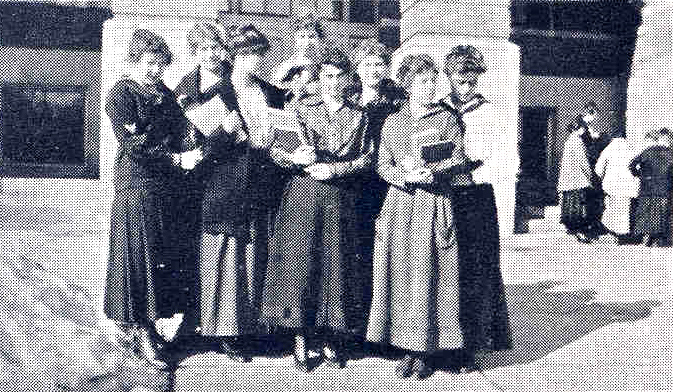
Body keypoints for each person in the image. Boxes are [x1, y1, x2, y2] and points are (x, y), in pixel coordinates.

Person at [366, 54, 511, 380]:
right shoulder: (393, 121)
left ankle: (433, 348)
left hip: (436, 202)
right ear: (407, 84)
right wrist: (403, 176)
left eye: (433, 80)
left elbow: (459, 156)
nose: (429, 86)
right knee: (403, 277)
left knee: (435, 276)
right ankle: (408, 348)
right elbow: (382, 165)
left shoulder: (445, 119)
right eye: (422, 81)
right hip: (401, 207)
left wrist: (432, 172)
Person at [261, 47, 371, 372]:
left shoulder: (359, 115)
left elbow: (366, 158)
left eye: (339, 76)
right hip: (303, 192)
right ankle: (300, 337)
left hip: (338, 195)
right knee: (300, 264)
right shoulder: (300, 108)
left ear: (348, 79)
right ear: (318, 76)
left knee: (334, 265)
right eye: (326, 75)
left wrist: (336, 170)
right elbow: (276, 148)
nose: (332, 82)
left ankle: (329, 336)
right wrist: (295, 157)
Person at [190, 24, 286, 361]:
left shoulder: (273, 94)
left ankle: (255, 329)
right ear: (235, 57)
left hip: (262, 186)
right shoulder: (217, 93)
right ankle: (227, 333)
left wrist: (276, 145)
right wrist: (228, 134)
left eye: (259, 54)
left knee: (257, 255)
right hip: (226, 186)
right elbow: (200, 146)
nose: (254, 61)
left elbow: (285, 136)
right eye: (246, 55)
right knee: (229, 259)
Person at [103, 29, 194, 368]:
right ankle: (139, 329)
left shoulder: (164, 93)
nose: (156, 71)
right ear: (134, 61)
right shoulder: (120, 95)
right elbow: (135, 145)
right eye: (150, 64)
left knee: (157, 253)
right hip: (136, 184)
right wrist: (176, 159)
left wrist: (197, 140)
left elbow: (180, 130)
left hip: (163, 187)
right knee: (138, 256)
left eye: (160, 65)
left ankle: (151, 325)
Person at [170, 22, 244, 354]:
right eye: (204, 49)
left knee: (223, 252)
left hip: (228, 179)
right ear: (195, 53)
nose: (212, 55)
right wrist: (220, 135)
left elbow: (242, 132)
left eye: (217, 48)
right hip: (194, 180)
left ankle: (224, 329)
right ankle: (193, 322)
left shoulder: (236, 84)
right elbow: (184, 134)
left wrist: (222, 138)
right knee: (192, 250)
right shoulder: (186, 89)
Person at [348, 39, 407, 329]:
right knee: (353, 250)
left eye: (379, 64)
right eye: (367, 64)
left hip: (385, 185)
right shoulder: (347, 97)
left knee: (383, 253)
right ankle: (356, 326)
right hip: (351, 183)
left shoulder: (399, 100)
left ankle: (384, 326)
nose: (373, 69)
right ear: (357, 68)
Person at [440, 45, 519, 239]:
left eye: (472, 83)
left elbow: (505, 157)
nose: (466, 89)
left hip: (477, 189)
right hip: (444, 188)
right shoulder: (440, 110)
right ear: (449, 77)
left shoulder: (489, 112)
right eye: (461, 82)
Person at [558, 102, 610, 243]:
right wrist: (590, 176)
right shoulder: (578, 142)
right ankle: (580, 231)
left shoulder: (569, 141)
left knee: (571, 208)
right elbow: (583, 162)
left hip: (569, 181)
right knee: (579, 209)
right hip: (578, 180)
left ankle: (575, 230)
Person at [594, 125, 640, 244]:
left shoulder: (609, 149)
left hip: (613, 186)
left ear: (613, 137)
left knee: (613, 211)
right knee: (627, 211)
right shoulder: (631, 149)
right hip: (629, 187)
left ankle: (617, 235)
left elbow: (598, 169)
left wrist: (602, 178)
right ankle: (627, 235)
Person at [629, 128, 673, 247]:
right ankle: (657, 240)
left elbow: (631, 165)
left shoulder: (648, 151)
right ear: (669, 139)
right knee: (661, 214)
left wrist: (640, 175)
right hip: (664, 189)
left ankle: (645, 237)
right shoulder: (671, 153)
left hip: (646, 188)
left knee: (645, 212)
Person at [271, 9, 325, 98]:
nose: (307, 42)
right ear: (294, 39)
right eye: (302, 36)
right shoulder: (285, 68)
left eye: (312, 36)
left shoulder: (325, 67)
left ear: (320, 39)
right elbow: (273, 95)